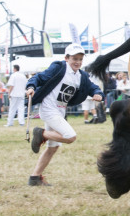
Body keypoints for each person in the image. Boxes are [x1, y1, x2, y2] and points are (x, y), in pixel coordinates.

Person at [25, 43, 103, 186]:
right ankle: (40, 133)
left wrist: (97, 94)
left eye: (80, 59)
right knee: (70, 136)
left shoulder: (82, 76)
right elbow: (39, 78)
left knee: (53, 147)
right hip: (49, 109)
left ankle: (34, 178)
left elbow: (93, 87)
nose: (78, 62)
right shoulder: (59, 67)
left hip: (59, 112)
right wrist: (31, 87)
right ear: (66, 58)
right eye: (74, 58)